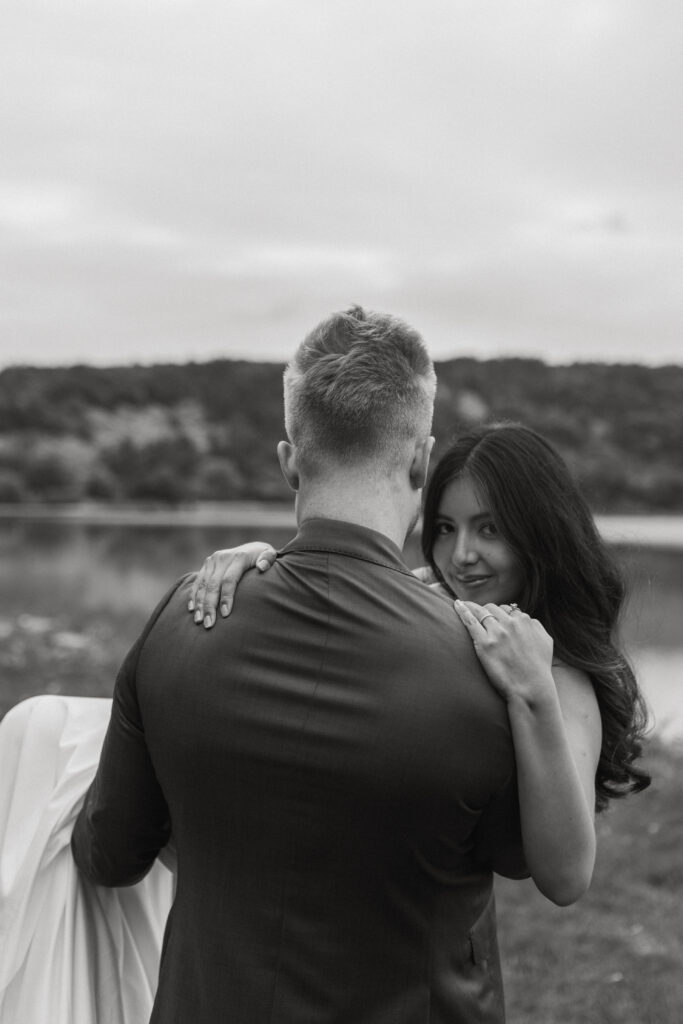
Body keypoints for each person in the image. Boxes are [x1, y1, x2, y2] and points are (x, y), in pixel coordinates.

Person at [65, 306, 533, 1023]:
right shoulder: (486, 662)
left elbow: (111, 854)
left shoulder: (182, 622)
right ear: (418, 460)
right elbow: (517, 853)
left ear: (289, 461)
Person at [188, 423, 651, 905]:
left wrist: (531, 690)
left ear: (541, 534)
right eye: (446, 529)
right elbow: (338, 584)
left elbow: (568, 878)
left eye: (489, 528)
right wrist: (263, 562)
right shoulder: (437, 594)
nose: (462, 556)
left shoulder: (560, 676)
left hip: (436, 938)